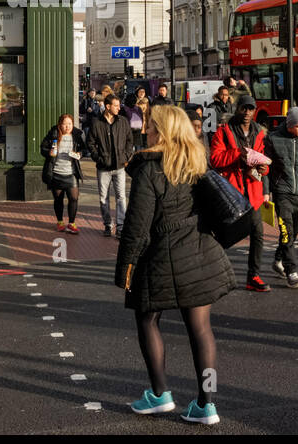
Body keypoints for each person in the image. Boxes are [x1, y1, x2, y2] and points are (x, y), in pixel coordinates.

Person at [116, 103, 234, 425]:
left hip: (162, 255)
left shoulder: (150, 169)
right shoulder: (197, 161)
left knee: (147, 318)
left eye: (151, 126)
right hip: (201, 252)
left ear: (162, 131)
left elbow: (137, 227)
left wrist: (124, 269)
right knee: (201, 330)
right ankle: (206, 405)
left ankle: (159, 394)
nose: (146, 130)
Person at [209, 94, 271, 291]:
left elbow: (265, 160)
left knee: (258, 232)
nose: (247, 113)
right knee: (224, 235)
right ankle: (210, 270)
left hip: (253, 189)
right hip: (231, 191)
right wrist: (238, 154)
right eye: (244, 108)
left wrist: (263, 168)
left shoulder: (259, 132)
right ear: (237, 109)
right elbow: (216, 160)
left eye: (251, 109)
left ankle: (253, 275)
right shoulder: (224, 131)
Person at [262, 107, 298, 287]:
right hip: (282, 193)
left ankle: (278, 259)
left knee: (291, 235)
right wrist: (267, 191)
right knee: (286, 232)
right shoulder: (273, 139)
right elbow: (266, 168)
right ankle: (291, 271)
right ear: (290, 125)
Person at [88, 93, 136, 237]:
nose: (118, 108)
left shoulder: (123, 121)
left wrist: (126, 156)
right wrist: (98, 157)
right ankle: (108, 224)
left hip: (120, 166)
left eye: (119, 105)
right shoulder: (97, 123)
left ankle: (120, 226)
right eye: (115, 105)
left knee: (121, 197)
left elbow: (129, 140)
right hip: (103, 167)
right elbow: (90, 143)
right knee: (104, 197)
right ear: (108, 106)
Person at [40, 114, 88, 234]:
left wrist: (79, 154)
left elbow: (84, 149)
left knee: (74, 198)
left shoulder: (77, 135)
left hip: (71, 172)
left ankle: (72, 223)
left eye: (69, 124)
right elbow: (43, 148)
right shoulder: (54, 134)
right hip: (56, 172)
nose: (67, 127)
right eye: (64, 124)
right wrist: (49, 152)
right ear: (59, 125)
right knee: (58, 199)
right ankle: (60, 222)